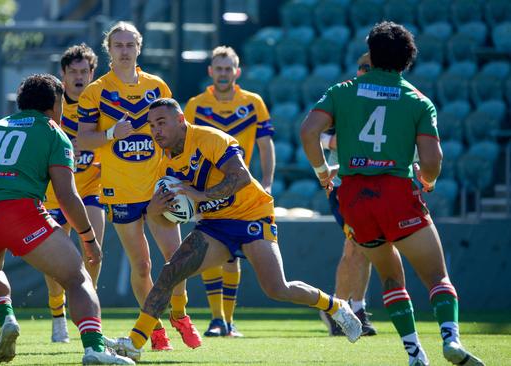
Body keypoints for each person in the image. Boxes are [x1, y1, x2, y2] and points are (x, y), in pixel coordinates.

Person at [106, 98, 362, 362]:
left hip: (252, 215)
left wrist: (200, 195)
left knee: (277, 288)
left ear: (180, 120)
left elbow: (240, 177)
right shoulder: (165, 167)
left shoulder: (211, 138)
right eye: (151, 125)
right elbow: (169, 221)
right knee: (171, 271)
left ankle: (336, 306)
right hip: (216, 225)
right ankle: (135, 343)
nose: (156, 130)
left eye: (161, 122)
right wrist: (156, 210)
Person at [300, 22, 484, 366]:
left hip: (354, 198)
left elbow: (308, 131)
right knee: (437, 277)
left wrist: (323, 173)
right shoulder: (417, 101)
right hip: (396, 192)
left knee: (390, 277)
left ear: (371, 52)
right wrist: (427, 180)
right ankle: (451, 339)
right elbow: (432, 161)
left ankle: (415, 354)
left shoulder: (342, 91)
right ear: (407, 59)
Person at [0, 73, 133, 365]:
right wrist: (89, 239)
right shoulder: (53, 131)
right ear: (55, 103)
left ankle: (7, 318)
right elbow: (67, 196)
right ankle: (94, 349)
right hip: (19, 213)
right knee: (76, 277)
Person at [76, 22, 200, 351]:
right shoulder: (96, 91)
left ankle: (181, 314)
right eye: (118, 45)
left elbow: (177, 133)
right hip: (120, 190)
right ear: (109, 50)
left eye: (130, 44)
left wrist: (181, 174)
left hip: (158, 186)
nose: (125, 50)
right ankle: (154, 328)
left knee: (176, 258)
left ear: (139, 48)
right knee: (142, 264)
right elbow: (82, 140)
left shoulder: (157, 86)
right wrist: (110, 135)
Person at [184, 46, 275, 337]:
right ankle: (217, 319)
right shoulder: (195, 105)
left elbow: (265, 145)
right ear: (210, 71)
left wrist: (269, 181)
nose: (223, 74)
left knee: (232, 255)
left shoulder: (253, 103)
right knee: (211, 249)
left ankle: (229, 321)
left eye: (228, 68)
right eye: (218, 68)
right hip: (205, 190)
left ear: (237, 71)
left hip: (240, 190)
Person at [42, 43, 106, 344]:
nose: (79, 77)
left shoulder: (103, 104)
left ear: (93, 73)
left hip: (91, 188)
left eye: (85, 71)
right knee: (56, 262)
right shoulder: (52, 106)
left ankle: (89, 315)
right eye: (73, 72)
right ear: (62, 75)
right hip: (55, 194)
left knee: (93, 255)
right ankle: (58, 316)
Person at [318, 52, 377, 338]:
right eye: (363, 67)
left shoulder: (390, 98)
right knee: (355, 246)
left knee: (368, 249)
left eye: (372, 67)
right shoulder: (344, 95)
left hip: (377, 184)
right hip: (345, 185)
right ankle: (340, 311)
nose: (365, 71)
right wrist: (337, 146)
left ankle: (354, 307)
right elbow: (317, 135)